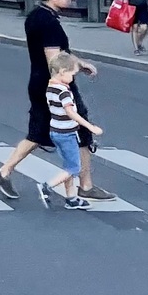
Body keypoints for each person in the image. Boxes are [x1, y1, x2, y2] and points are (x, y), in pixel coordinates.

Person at [0, 0, 114, 202]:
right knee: (81, 129)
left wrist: (80, 64)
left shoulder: (36, 16)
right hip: (55, 87)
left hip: (39, 83)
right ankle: (84, 185)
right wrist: (68, 81)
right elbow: (55, 60)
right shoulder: (50, 23)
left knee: (38, 133)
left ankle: (4, 172)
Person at [38, 53, 103, 209]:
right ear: (62, 71)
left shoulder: (50, 87)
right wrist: (90, 126)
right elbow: (71, 113)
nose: (73, 78)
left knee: (68, 166)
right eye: (72, 74)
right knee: (75, 168)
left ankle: (71, 198)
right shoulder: (64, 92)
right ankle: (47, 186)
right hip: (66, 134)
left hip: (55, 131)